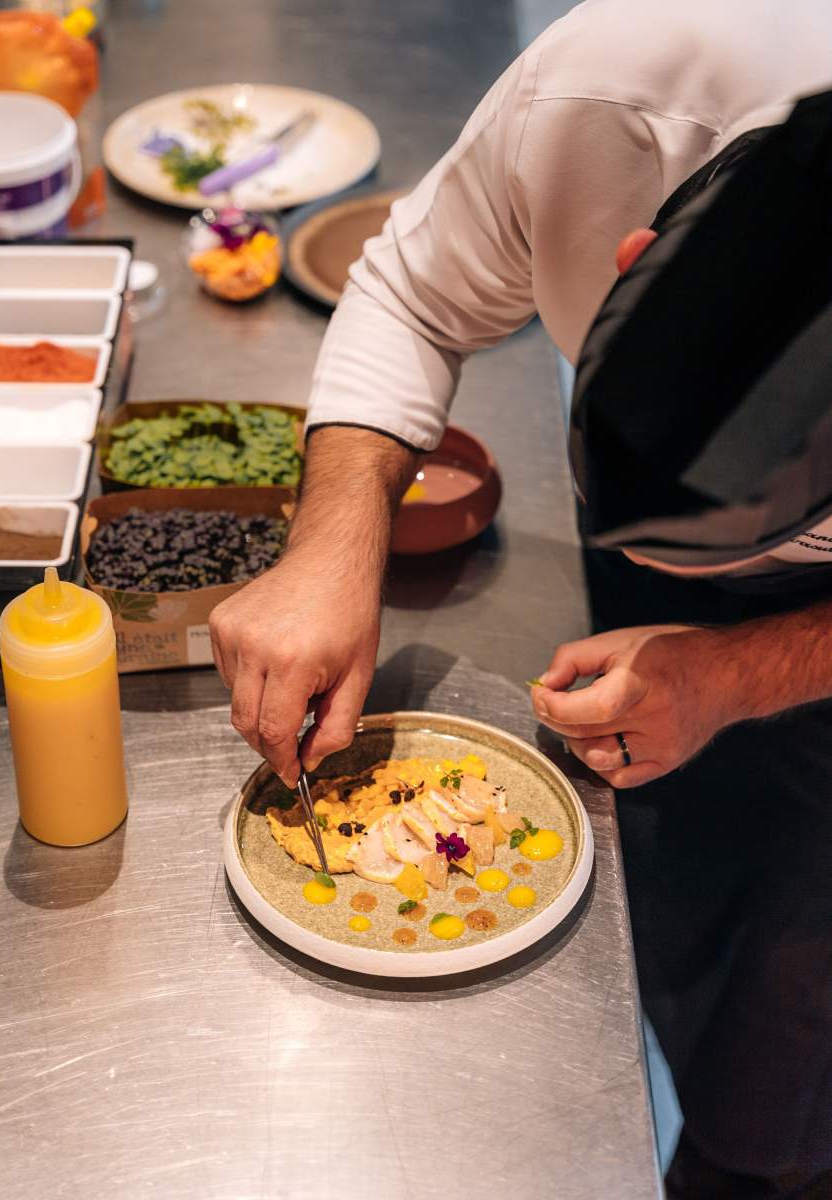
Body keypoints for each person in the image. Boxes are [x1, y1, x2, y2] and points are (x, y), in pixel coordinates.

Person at [209, 2, 832, 1194]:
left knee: (781, 1069)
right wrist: (339, 540)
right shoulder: (606, 95)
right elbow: (411, 293)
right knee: (660, 871)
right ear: (640, 259)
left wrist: (744, 666)